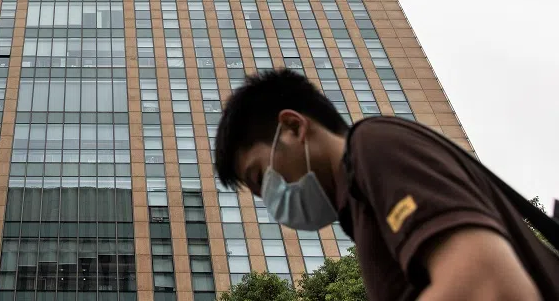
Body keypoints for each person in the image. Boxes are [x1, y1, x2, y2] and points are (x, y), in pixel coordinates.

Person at [213, 68, 558, 300]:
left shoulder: (372, 146)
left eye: (263, 178)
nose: (272, 203)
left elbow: (489, 285)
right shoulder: (361, 208)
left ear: (293, 127)